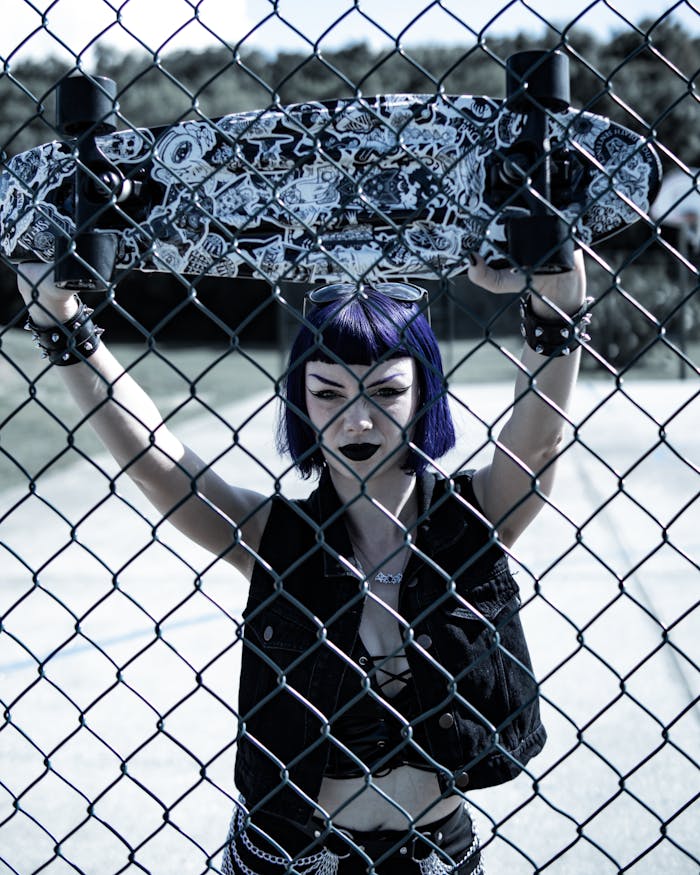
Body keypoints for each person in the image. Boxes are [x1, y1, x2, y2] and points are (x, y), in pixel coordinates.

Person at [17, 250, 589, 874]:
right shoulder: (275, 535)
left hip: (434, 857)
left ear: (426, 392)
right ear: (300, 400)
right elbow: (155, 460)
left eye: (388, 391)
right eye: (328, 392)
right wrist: (61, 321)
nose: (358, 419)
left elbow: (539, 439)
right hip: (289, 853)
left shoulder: (474, 519)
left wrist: (557, 296)